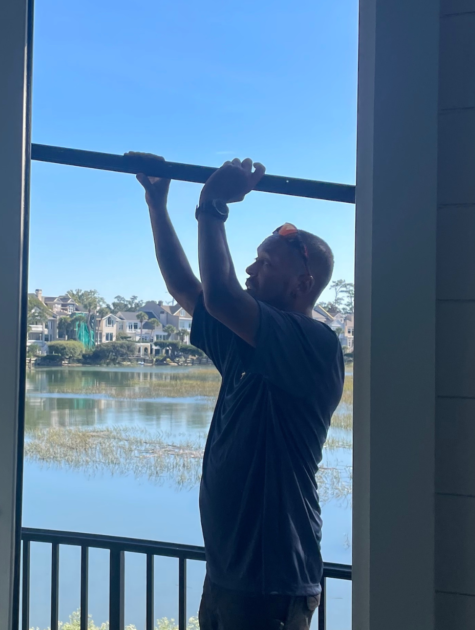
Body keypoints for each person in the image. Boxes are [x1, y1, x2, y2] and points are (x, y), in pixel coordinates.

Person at [129, 153, 345, 630]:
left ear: (302, 284)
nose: (249, 269)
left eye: (264, 263)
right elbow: (188, 288)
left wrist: (212, 204)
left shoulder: (313, 344)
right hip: (230, 577)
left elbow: (223, 294)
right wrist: (157, 206)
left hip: (272, 583)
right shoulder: (246, 345)